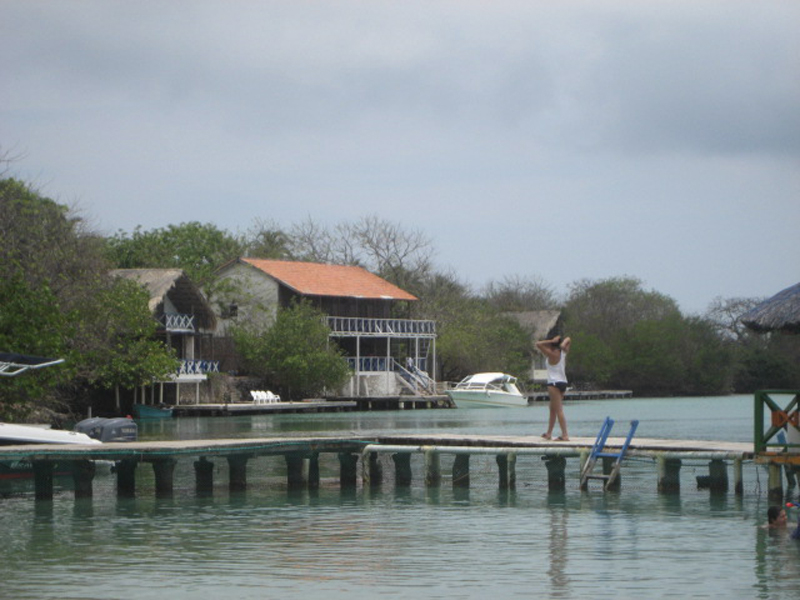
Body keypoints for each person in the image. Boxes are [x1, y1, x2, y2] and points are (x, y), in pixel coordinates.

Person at [535, 334, 572, 441]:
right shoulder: (563, 352)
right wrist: (562, 344)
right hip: (563, 383)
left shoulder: (551, 354)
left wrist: (550, 340)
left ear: (551, 345)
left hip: (554, 384)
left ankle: (565, 435)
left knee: (559, 410)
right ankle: (549, 433)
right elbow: (568, 338)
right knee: (552, 409)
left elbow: (538, 344)